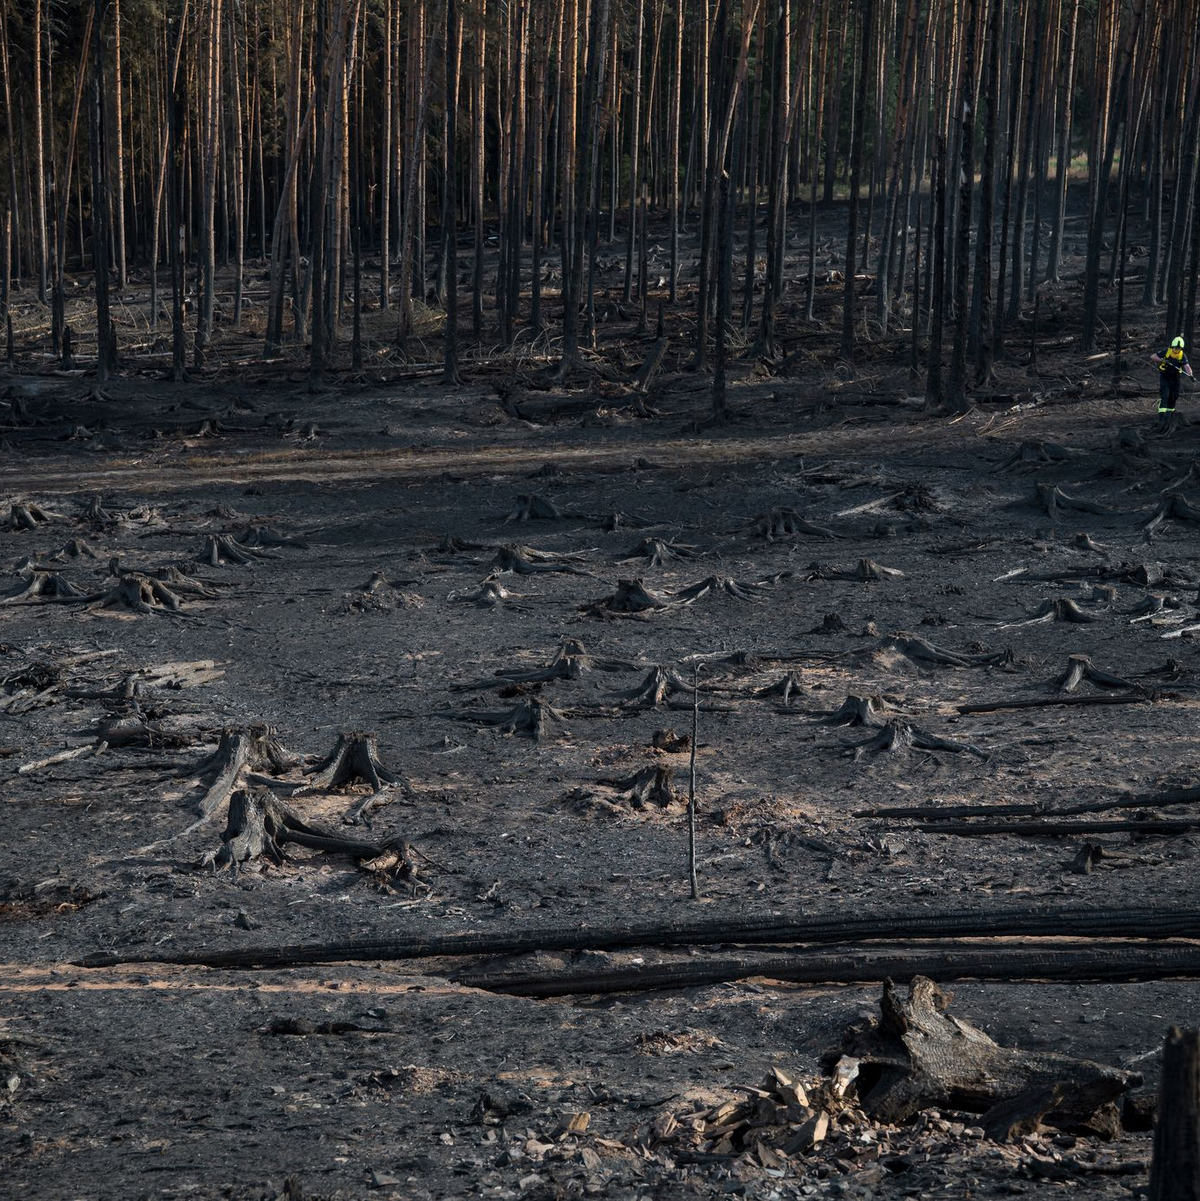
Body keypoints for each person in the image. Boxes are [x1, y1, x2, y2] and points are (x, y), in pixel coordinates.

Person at [1151, 335, 1194, 416]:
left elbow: (1187, 366)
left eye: (1179, 348)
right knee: (1165, 395)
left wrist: (1190, 375)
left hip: (1175, 378)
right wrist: (1162, 360)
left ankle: (1170, 413)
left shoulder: (1182, 355)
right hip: (1165, 376)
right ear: (1172, 346)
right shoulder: (1166, 352)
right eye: (1175, 348)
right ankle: (1162, 416)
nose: (1176, 350)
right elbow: (1153, 356)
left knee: (1174, 396)